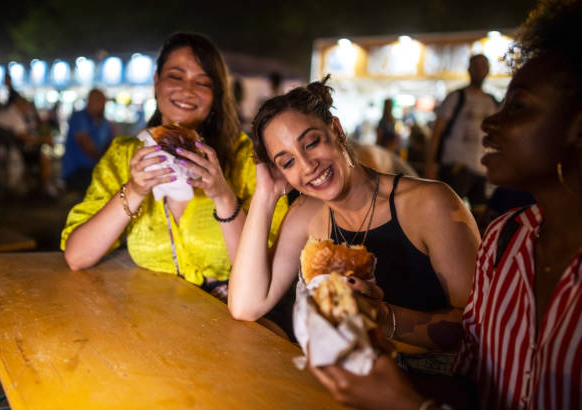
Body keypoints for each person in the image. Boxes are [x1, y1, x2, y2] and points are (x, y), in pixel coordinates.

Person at [309, 0, 582, 408]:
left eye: (518, 107)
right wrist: (380, 355)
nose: (490, 123)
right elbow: (475, 381)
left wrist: (406, 403)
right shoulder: (506, 239)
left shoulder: (438, 204)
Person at [228, 76, 480, 364]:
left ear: (337, 130)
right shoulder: (307, 213)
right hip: (337, 373)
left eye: (311, 143)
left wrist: (383, 317)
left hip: (423, 377)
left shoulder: (431, 203)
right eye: (287, 162)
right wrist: (266, 194)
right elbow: (245, 306)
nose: (307, 166)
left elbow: (479, 327)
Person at [61, 32, 287, 300]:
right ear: (156, 82)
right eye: (176, 77)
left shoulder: (247, 157)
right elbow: (77, 257)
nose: (187, 90)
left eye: (202, 82)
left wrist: (222, 195)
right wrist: (134, 190)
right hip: (154, 313)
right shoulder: (124, 155)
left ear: (216, 94)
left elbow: (269, 268)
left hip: (230, 313)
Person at [425, 54, 498, 208]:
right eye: (475, 66)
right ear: (469, 69)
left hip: (482, 170)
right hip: (455, 167)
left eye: (483, 66)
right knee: (449, 212)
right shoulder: (456, 97)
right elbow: (437, 132)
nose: (479, 70)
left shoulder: (491, 102)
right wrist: (431, 164)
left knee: (480, 214)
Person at [61, 89, 114, 191]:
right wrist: (103, 162)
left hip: (94, 169)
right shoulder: (78, 117)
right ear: (89, 101)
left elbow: (110, 145)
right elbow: (85, 144)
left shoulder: (105, 122)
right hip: (76, 171)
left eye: (103, 102)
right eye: (99, 101)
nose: (103, 105)